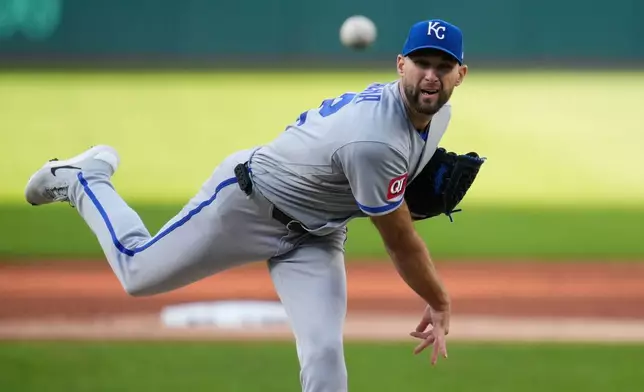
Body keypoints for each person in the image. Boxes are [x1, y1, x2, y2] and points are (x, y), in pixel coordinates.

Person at [25, 18, 468, 392]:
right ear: (400, 65)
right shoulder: (375, 142)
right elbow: (400, 241)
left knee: (325, 352)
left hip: (317, 235)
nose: (431, 75)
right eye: (422, 63)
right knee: (137, 272)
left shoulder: (437, 115)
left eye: (443, 66)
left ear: (459, 75)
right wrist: (439, 300)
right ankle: (84, 179)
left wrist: (396, 186)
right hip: (248, 206)